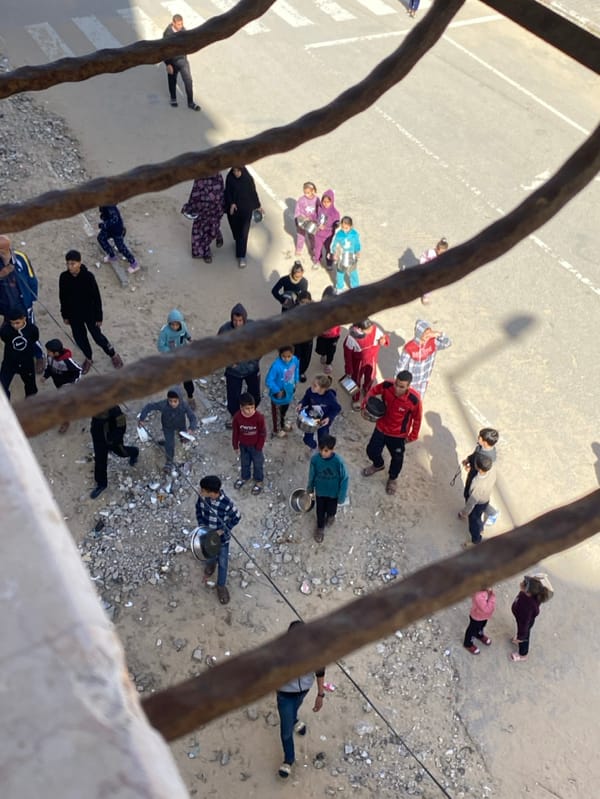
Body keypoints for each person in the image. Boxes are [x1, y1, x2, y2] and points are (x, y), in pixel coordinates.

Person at [59, 250, 124, 375]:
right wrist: (65, 315)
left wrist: (99, 317)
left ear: (79, 263)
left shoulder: (88, 277)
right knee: (80, 338)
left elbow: (96, 298)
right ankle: (88, 358)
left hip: (90, 314)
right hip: (74, 315)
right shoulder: (64, 277)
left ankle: (113, 354)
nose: (70, 267)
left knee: (98, 337)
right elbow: (62, 297)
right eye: (68, 264)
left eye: (73, 264)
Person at [276, 620, 326, 779]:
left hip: (303, 691)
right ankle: (288, 761)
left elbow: (320, 671)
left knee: (295, 709)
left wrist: (320, 694)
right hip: (284, 695)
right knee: (285, 733)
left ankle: (295, 720)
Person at [362, 370, 422, 495]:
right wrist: (364, 405)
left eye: (401, 386)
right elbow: (373, 391)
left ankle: (393, 479)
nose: (397, 388)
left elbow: (417, 418)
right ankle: (378, 465)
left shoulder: (414, 400)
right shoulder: (386, 385)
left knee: (397, 459)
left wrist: (412, 436)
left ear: (408, 387)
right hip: (381, 427)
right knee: (371, 450)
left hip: (398, 435)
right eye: (396, 384)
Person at [195, 475, 241, 605]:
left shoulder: (226, 504)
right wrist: (201, 526)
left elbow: (237, 517)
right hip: (207, 536)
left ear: (212, 492)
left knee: (223, 563)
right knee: (209, 553)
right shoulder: (203, 498)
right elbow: (198, 510)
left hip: (222, 540)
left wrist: (224, 530)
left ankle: (221, 586)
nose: (200, 492)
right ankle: (210, 564)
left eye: (203, 490)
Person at [0, 235, 43, 370]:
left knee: (29, 329)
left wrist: (31, 299)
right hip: (6, 306)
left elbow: (31, 278)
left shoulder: (20, 258)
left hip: (23, 305)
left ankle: (39, 355)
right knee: (9, 331)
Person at [217, 303, 261, 427]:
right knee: (233, 397)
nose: (237, 323)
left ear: (244, 319)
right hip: (234, 371)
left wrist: (253, 362)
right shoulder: (225, 330)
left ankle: (250, 413)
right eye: (235, 320)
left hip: (251, 369)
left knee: (255, 394)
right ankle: (235, 417)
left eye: (240, 320)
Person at [138, 388, 198, 473]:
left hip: (181, 425)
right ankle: (169, 461)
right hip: (167, 427)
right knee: (170, 444)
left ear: (179, 400)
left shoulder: (184, 405)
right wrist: (142, 418)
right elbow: (149, 406)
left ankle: (183, 438)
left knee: (184, 436)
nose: (172, 404)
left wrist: (192, 428)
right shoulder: (163, 405)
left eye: (175, 401)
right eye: (170, 401)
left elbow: (192, 417)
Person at [89, 406, 139, 500]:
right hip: (99, 439)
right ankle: (101, 484)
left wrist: (113, 440)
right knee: (100, 461)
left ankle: (134, 452)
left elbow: (121, 426)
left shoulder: (115, 410)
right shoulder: (94, 407)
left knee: (122, 452)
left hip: (113, 440)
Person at [307, 435, 349, 543]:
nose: (322, 453)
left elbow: (344, 479)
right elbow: (311, 475)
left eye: (326, 451)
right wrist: (310, 489)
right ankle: (320, 528)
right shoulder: (315, 460)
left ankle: (331, 516)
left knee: (331, 510)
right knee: (320, 511)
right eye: (321, 450)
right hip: (320, 492)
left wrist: (341, 496)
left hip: (333, 493)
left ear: (332, 449)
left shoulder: (338, 462)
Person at [396, 320, 452, 399]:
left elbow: (448, 343)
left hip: (423, 381)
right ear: (419, 333)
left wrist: (439, 334)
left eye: (429, 332)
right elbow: (401, 366)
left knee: (417, 401)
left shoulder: (433, 343)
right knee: (404, 400)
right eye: (425, 333)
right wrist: (396, 382)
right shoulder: (410, 348)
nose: (428, 335)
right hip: (410, 382)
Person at [343, 319, 389, 410]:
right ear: (360, 329)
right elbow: (347, 355)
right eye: (368, 329)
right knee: (355, 379)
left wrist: (384, 340)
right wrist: (349, 369)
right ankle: (355, 398)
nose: (372, 330)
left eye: (371, 327)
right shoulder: (351, 338)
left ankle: (366, 389)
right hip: (359, 362)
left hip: (372, 358)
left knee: (371, 376)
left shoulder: (375, 329)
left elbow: (384, 337)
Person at [224, 166, 262, 268]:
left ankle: (241, 256)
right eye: (234, 171)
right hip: (234, 211)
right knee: (236, 231)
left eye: (238, 171)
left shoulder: (248, 179)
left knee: (243, 233)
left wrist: (258, 206)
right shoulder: (230, 178)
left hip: (246, 210)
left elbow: (253, 193)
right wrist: (231, 203)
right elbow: (227, 192)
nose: (236, 173)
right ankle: (238, 242)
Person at [157, 309, 196, 409]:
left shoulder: (183, 327)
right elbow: (161, 346)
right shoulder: (164, 332)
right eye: (172, 324)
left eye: (176, 324)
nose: (175, 327)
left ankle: (190, 397)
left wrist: (190, 339)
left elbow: (186, 334)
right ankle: (175, 400)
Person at [181, 174, 225, 262]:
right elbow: (194, 194)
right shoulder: (199, 178)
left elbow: (221, 195)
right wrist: (189, 208)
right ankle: (206, 252)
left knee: (212, 231)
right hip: (201, 210)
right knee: (199, 232)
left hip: (214, 212)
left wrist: (222, 209)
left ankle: (217, 233)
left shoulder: (218, 178)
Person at [42, 338, 82, 434]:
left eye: (49, 351)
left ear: (56, 353)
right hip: (59, 385)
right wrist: (45, 376)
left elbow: (78, 370)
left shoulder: (67, 361)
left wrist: (72, 383)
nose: (47, 353)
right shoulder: (50, 357)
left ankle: (65, 421)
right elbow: (49, 368)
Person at [162, 14, 200, 110]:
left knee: (188, 81)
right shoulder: (167, 34)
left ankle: (190, 102)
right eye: (178, 24)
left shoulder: (183, 30)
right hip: (172, 61)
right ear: (173, 23)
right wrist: (168, 64)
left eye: (181, 24)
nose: (180, 26)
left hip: (182, 60)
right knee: (172, 81)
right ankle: (173, 99)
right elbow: (163, 50)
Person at [510, 575, 552, 662]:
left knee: (524, 637)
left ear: (528, 593)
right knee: (522, 633)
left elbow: (525, 623)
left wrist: (521, 636)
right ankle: (520, 637)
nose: (521, 583)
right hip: (522, 619)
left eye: (524, 583)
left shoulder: (528, 606)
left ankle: (523, 654)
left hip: (524, 622)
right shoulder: (530, 595)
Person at [462, 428, 500, 525]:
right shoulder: (481, 447)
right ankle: (490, 512)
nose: (478, 437)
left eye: (480, 437)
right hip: (475, 473)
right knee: (472, 497)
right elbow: (475, 455)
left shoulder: (487, 458)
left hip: (477, 477)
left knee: (475, 499)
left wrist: (472, 470)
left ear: (485, 442)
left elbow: (483, 471)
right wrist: (469, 460)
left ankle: (489, 514)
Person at [458, 453, 496, 547]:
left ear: (478, 468)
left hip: (478, 503)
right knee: (479, 515)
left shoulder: (478, 483)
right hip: (485, 499)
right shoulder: (492, 471)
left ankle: (476, 540)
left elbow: (472, 501)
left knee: (474, 521)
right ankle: (481, 528)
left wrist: (465, 512)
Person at [0, 307, 39, 399]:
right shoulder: (6, 330)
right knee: (2, 387)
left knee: (31, 387)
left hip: (26, 363)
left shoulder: (32, 329)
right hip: (9, 363)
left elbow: (34, 339)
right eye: (12, 323)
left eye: (17, 323)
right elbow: (4, 339)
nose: (15, 326)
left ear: (24, 319)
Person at [232, 392, 267, 494]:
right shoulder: (237, 417)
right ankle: (244, 477)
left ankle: (259, 481)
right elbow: (236, 432)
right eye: (247, 408)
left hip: (256, 446)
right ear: (241, 407)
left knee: (258, 463)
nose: (250, 410)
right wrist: (235, 445)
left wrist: (259, 446)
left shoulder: (259, 417)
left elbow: (262, 433)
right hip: (243, 446)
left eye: (252, 407)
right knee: (244, 463)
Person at [297, 374, 341, 451]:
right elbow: (306, 398)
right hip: (311, 420)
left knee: (323, 440)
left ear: (322, 389)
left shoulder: (330, 398)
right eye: (312, 384)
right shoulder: (310, 391)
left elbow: (337, 408)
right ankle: (314, 447)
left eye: (315, 385)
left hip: (323, 423)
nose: (311, 386)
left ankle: (321, 450)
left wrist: (329, 418)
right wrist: (301, 403)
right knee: (307, 440)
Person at [265, 345, 300, 438]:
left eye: (289, 356)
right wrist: (277, 390)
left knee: (284, 410)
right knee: (276, 413)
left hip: (289, 392)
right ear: (280, 355)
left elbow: (296, 370)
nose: (287, 359)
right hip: (278, 395)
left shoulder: (295, 360)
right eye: (284, 356)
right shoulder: (276, 366)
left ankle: (282, 424)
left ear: (293, 354)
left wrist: (296, 380)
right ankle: (277, 430)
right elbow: (269, 380)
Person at [97, 205, 139, 274]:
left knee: (121, 247)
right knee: (101, 238)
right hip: (109, 228)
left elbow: (115, 219)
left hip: (117, 230)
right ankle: (112, 256)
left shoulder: (110, 206)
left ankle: (134, 263)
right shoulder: (103, 203)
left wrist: (103, 225)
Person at [330, 215, 361, 293]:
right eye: (342, 227)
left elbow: (357, 243)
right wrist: (334, 253)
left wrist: (357, 251)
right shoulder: (338, 234)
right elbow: (334, 244)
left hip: (351, 256)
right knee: (340, 273)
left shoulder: (354, 234)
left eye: (346, 228)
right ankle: (340, 287)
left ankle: (355, 287)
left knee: (353, 272)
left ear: (351, 226)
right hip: (341, 256)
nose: (344, 230)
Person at [315, 286, 340, 376]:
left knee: (331, 351)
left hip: (333, 336)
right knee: (321, 349)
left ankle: (329, 363)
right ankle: (323, 354)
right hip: (322, 335)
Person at [463, 587, 496, 655]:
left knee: (482, 626)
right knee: (472, 630)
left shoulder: (486, 591)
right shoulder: (478, 596)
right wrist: (492, 597)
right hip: (477, 617)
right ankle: (468, 644)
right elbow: (486, 609)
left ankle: (479, 635)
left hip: (484, 616)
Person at [312, 189, 340, 269]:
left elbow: (336, 225)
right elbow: (315, 217)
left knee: (329, 250)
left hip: (329, 236)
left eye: (328, 202)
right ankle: (316, 261)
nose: (326, 203)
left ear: (332, 201)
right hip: (318, 234)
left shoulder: (335, 213)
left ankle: (329, 263)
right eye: (324, 201)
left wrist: (329, 226)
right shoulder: (319, 208)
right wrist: (316, 223)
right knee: (317, 249)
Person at [292, 290, 314, 382]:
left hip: (308, 339)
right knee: (296, 355)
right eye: (302, 302)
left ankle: (301, 371)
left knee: (306, 356)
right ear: (298, 301)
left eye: (307, 303)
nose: (304, 305)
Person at [418, 237, 448, 304]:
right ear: (437, 249)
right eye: (441, 251)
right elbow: (423, 259)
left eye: (444, 252)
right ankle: (423, 294)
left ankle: (425, 293)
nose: (442, 253)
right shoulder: (430, 253)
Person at [294, 181, 319, 258]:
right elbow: (297, 211)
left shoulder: (317, 200)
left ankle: (314, 249)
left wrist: (315, 219)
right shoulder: (301, 200)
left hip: (312, 222)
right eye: (305, 192)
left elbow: (319, 211)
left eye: (308, 192)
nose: (306, 194)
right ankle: (299, 248)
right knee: (301, 235)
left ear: (313, 191)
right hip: (303, 221)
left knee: (313, 237)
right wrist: (298, 219)